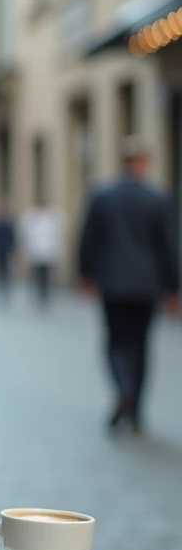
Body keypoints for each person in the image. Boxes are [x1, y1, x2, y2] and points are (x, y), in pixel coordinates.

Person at [78, 136, 180, 435]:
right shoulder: (158, 198)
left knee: (115, 342)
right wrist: (174, 288)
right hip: (147, 285)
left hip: (112, 283)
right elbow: (169, 247)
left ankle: (123, 386)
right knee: (142, 346)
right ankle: (135, 410)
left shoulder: (102, 195)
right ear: (145, 163)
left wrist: (86, 275)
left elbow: (87, 240)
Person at [19, 198, 65, 309]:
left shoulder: (53, 216)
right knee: (37, 274)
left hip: (48, 252)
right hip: (36, 252)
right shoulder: (31, 216)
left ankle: (45, 294)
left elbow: (59, 232)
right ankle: (38, 293)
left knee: (46, 275)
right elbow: (25, 233)